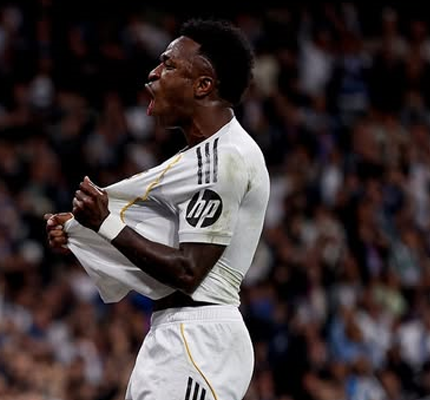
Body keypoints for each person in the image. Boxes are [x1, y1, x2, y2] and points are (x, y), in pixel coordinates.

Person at [46, 18, 270, 400]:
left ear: (203, 85)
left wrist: (105, 224)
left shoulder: (224, 159)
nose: (153, 73)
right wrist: (82, 230)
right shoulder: (203, 157)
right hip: (175, 333)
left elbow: (188, 270)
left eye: (168, 64)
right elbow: (163, 230)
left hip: (198, 338)